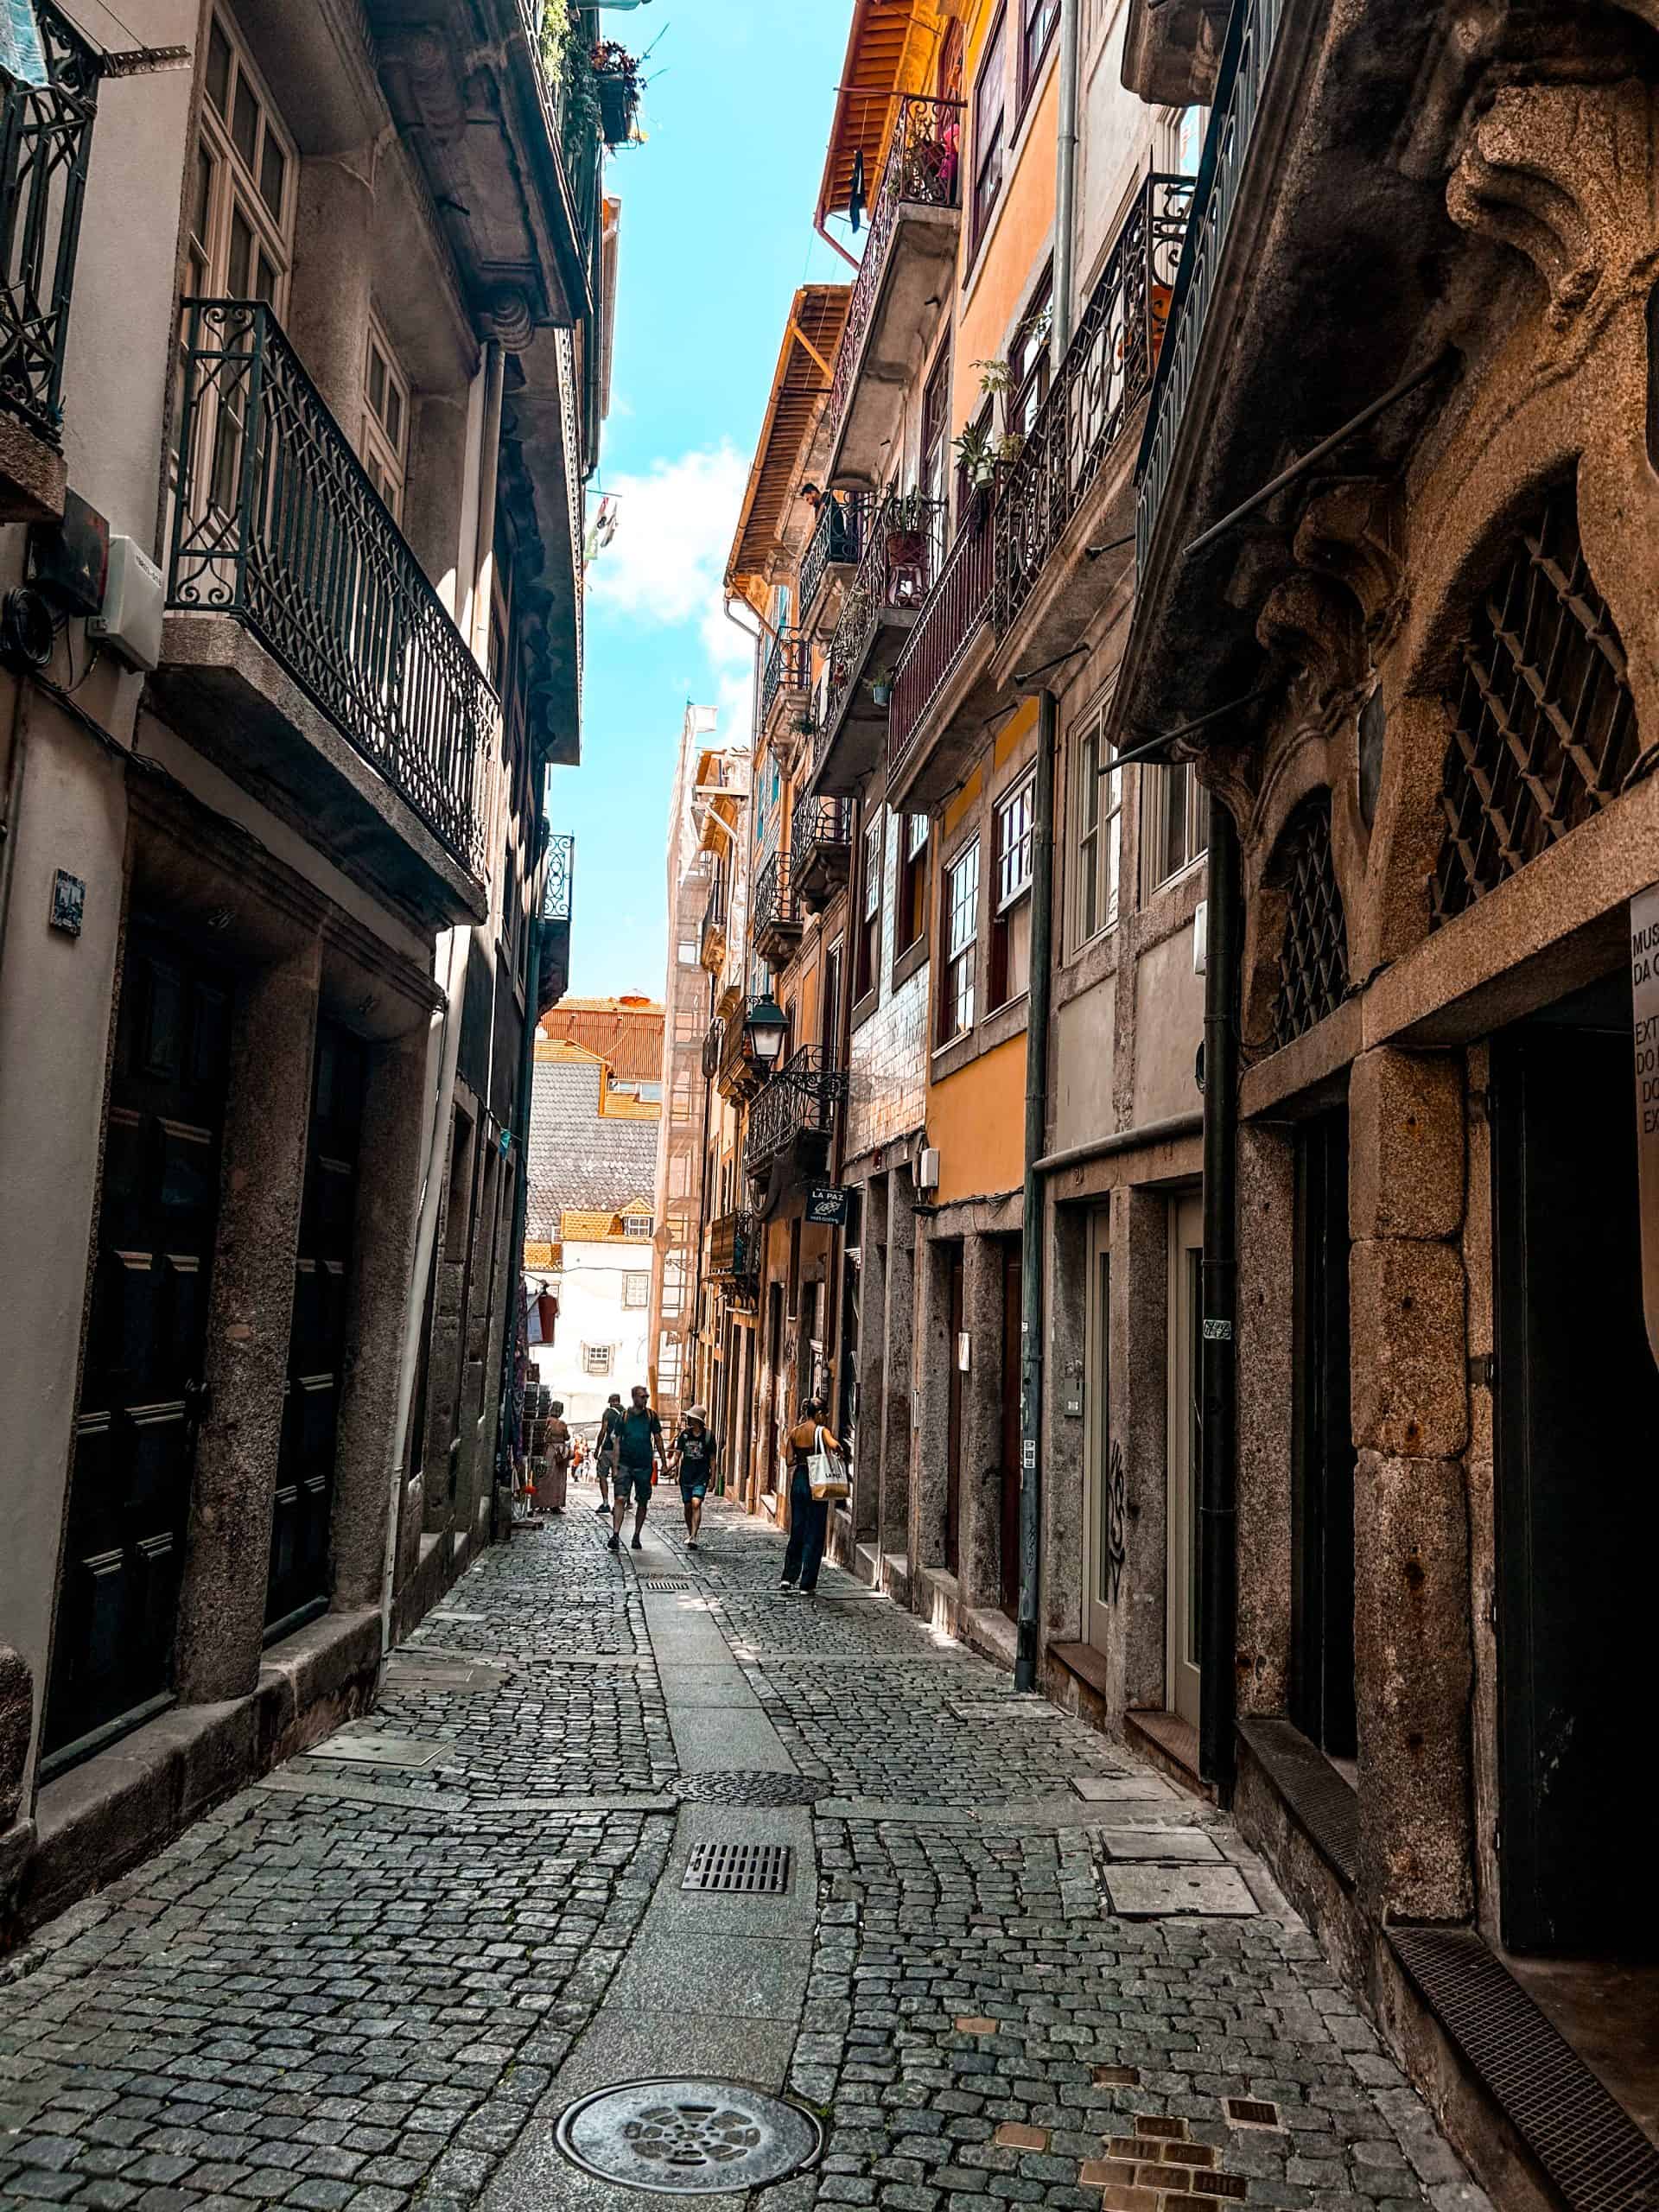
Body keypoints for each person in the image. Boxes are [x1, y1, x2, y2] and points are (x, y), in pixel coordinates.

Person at [779, 1395, 842, 1598]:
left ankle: (788, 1577)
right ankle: (806, 1583)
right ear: (820, 1414)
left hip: (799, 1479)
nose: (826, 1418)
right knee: (814, 1533)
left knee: (797, 1529)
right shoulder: (821, 1431)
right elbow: (835, 1445)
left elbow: (788, 1460)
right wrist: (839, 1452)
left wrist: (802, 1457)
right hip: (816, 1482)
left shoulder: (795, 1432)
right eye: (825, 1414)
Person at [607, 1383, 664, 1553]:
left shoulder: (651, 1416)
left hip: (644, 1465)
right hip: (625, 1463)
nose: (645, 1399)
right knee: (620, 1499)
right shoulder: (623, 1417)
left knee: (642, 1501)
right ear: (634, 1397)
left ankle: (637, 1534)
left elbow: (658, 1438)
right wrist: (615, 1467)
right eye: (642, 1396)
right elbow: (617, 1442)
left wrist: (664, 1461)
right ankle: (616, 1535)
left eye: (646, 1396)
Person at [672, 1404, 717, 1549]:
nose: (687, 1419)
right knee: (687, 1506)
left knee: (696, 1503)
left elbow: (712, 1460)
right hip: (686, 1476)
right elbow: (677, 1455)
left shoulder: (709, 1436)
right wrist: (669, 1467)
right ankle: (690, 1531)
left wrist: (713, 1479)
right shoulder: (684, 1435)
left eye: (690, 1417)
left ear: (697, 1420)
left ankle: (694, 1536)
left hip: (701, 1476)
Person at [594, 1391, 623, 1516]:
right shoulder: (626, 1413)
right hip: (622, 1450)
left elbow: (603, 1431)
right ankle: (620, 1504)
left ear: (610, 1401)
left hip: (608, 1448)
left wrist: (597, 1448)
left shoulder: (608, 1412)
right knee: (620, 1478)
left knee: (603, 1475)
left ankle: (606, 1503)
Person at [543, 1399, 571, 1514]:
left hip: (549, 1450)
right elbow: (567, 1437)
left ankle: (542, 1503)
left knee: (546, 1476)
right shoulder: (561, 1424)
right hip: (560, 1452)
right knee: (558, 1478)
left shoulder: (546, 1421)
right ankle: (555, 1504)